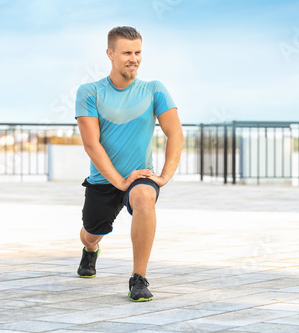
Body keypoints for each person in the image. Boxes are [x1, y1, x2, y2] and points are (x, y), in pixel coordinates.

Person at [74, 26, 183, 302]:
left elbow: (175, 133)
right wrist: (119, 181)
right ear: (110, 54)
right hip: (103, 180)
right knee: (90, 233)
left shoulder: (153, 90)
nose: (133, 58)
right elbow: (91, 144)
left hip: (139, 176)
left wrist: (164, 176)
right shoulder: (90, 92)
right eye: (126, 53)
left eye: (137, 52)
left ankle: (138, 278)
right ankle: (91, 250)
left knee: (144, 196)